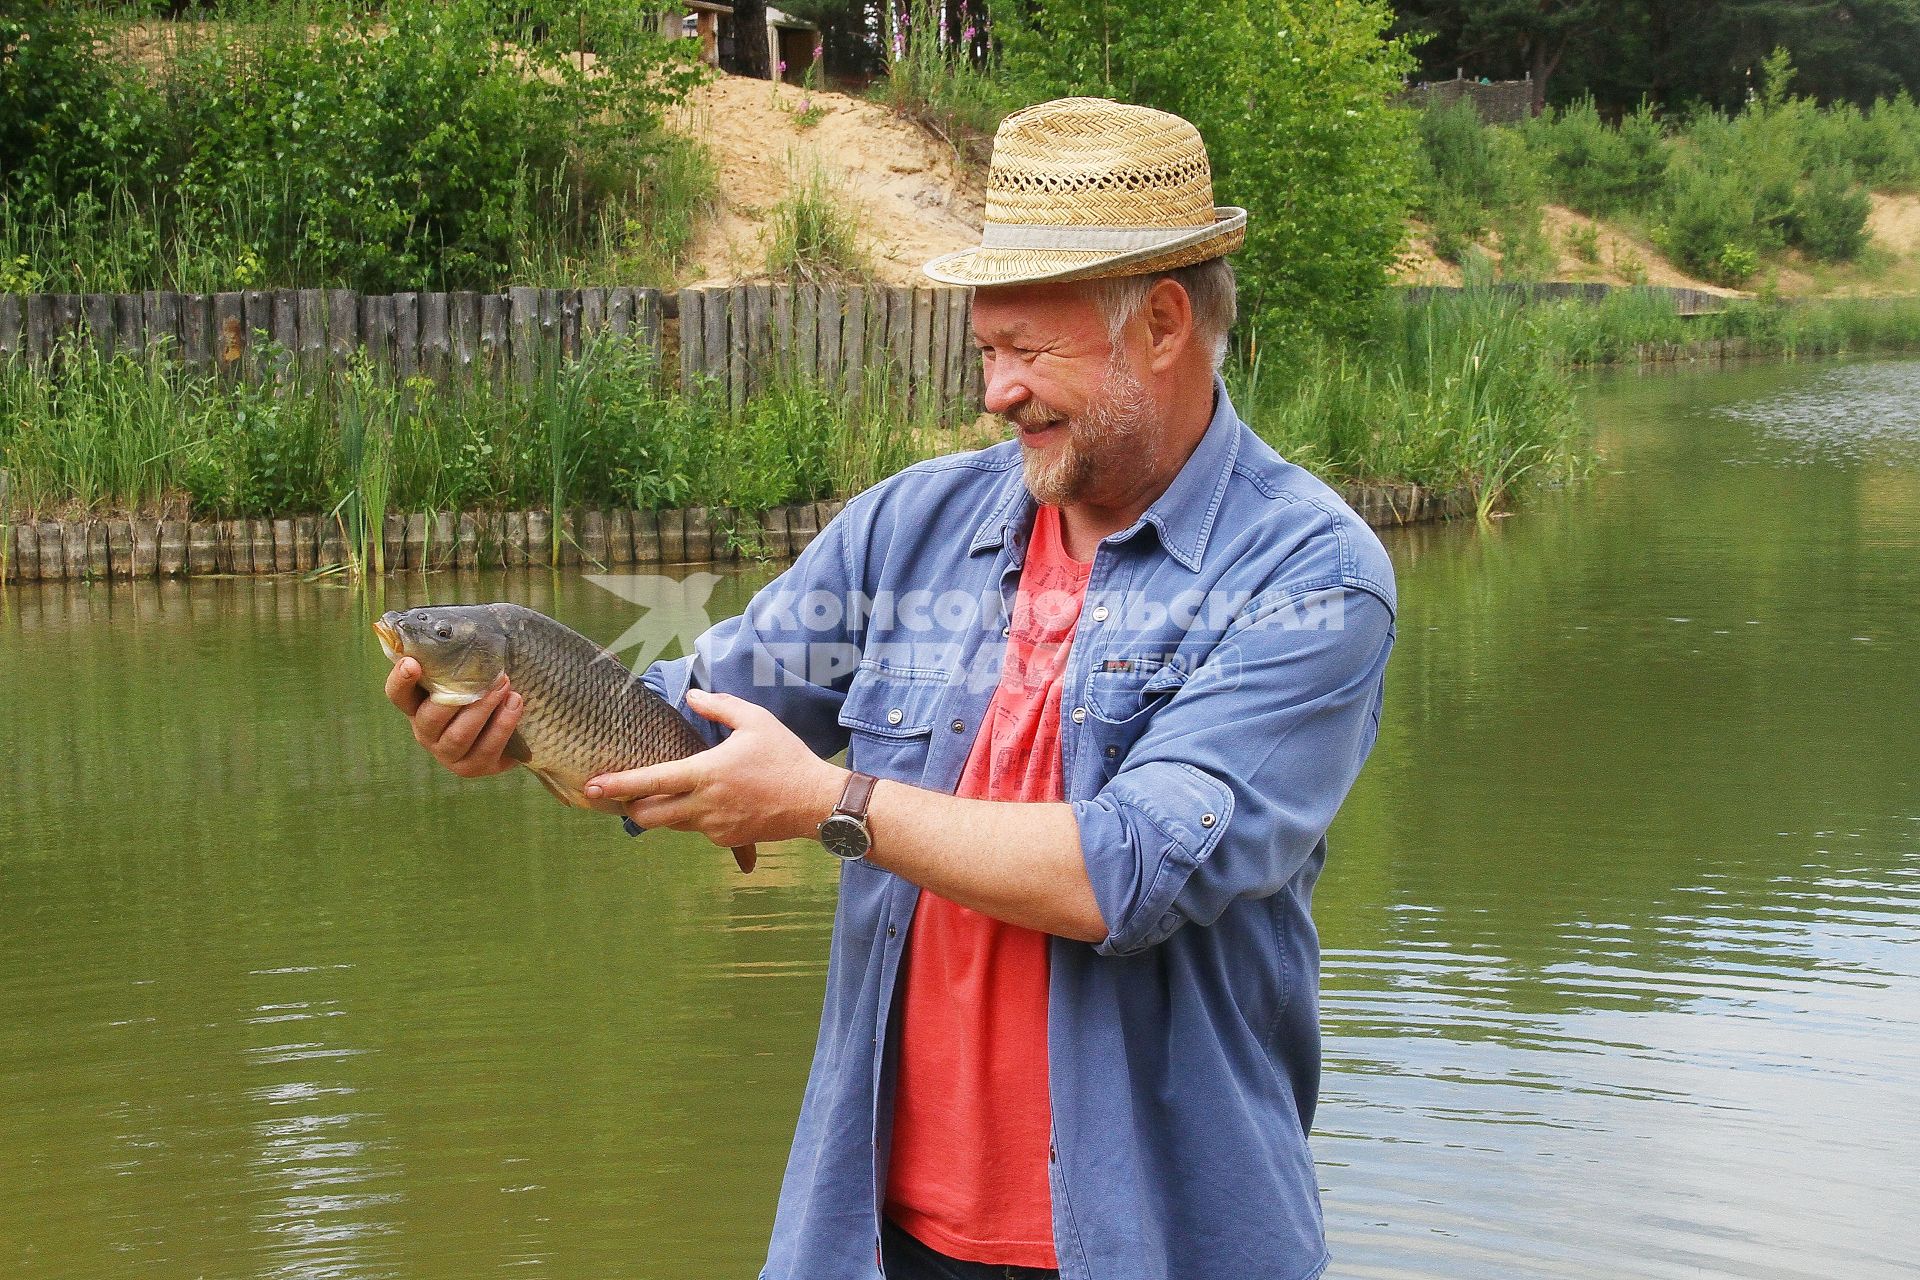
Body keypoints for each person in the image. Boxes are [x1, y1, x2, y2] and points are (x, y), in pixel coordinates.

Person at [383, 97, 1396, 1280]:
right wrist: (518, 725)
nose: (996, 391)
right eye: (986, 350)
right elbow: (693, 713)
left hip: (1162, 1240)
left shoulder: (1308, 576)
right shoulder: (913, 525)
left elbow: (1132, 865)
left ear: (1164, 324)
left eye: (1029, 350)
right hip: (874, 1235)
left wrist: (828, 802)